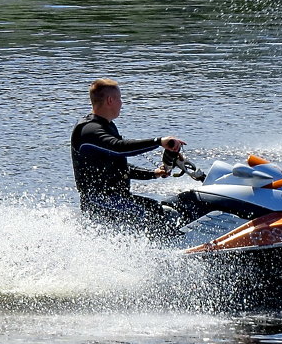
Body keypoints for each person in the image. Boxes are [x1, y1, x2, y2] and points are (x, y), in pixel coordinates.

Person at [70, 77, 197, 233]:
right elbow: (119, 148)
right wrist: (158, 141)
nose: (121, 103)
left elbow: (118, 168)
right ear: (110, 100)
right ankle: (168, 252)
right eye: (119, 99)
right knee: (153, 214)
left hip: (115, 199)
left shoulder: (107, 126)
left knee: (157, 209)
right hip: (98, 201)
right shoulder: (89, 130)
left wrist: (153, 173)